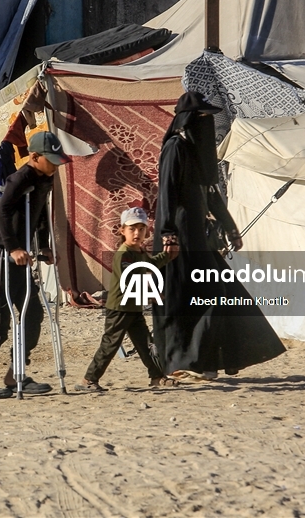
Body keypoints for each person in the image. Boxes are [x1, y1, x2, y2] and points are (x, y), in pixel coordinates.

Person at [152, 91, 286, 378]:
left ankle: (215, 358)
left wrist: (230, 228)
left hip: (200, 239)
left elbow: (210, 193)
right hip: (178, 238)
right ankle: (183, 363)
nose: (207, 124)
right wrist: (167, 233)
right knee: (189, 297)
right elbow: (166, 192)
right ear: (189, 119)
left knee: (225, 293)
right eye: (202, 118)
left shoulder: (196, 151)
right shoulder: (175, 147)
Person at [0, 131, 70, 399]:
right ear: (34, 157)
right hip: (0, 253)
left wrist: (44, 244)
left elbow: (40, 214)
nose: (56, 166)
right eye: (51, 160)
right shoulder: (21, 178)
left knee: (32, 314)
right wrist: (13, 247)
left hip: (19, 255)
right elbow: (2, 210)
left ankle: (15, 374)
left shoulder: (45, 178)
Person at [76, 207, 179, 392]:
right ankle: (89, 380)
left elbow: (148, 265)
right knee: (110, 345)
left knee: (147, 344)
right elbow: (129, 281)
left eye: (141, 229)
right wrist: (151, 295)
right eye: (132, 229)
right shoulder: (124, 254)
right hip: (120, 308)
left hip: (133, 307)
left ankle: (156, 377)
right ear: (122, 231)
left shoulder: (138, 251)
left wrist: (167, 256)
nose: (137, 233)